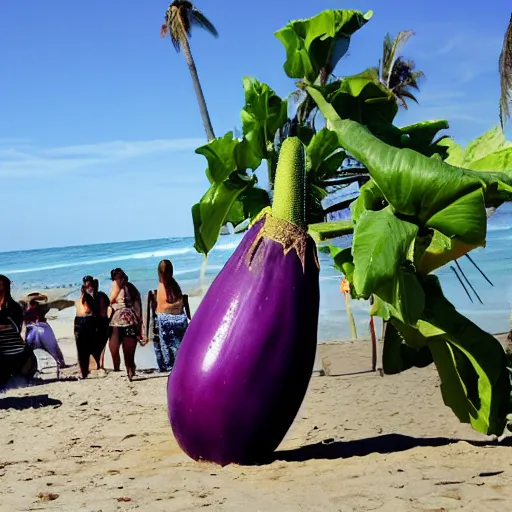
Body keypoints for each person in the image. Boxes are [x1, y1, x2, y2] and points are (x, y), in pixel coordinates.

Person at [153, 259, 191, 372]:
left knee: (171, 344)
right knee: (176, 344)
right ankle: (176, 364)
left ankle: (172, 364)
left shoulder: (168, 286)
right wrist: (178, 304)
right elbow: (168, 305)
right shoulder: (167, 286)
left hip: (172, 319)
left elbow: (165, 306)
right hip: (174, 318)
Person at [0, 275, 37, 388]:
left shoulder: (13, 307)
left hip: (15, 352)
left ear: (5, 287)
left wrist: (4, 317)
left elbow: (17, 328)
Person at [108, 268, 143, 381]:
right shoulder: (115, 289)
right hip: (116, 321)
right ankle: (118, 368)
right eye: (118, 278)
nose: (120, 279)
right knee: (113, 348)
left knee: (128, 349)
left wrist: (139, 321)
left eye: (121, 277)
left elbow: (137, 303)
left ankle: (130, 368)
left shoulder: (130, 288)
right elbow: (111, 302)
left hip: (129, 319)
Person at [23, 294, 66, 371]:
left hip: (36, 330)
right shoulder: (37, 309)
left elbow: (26, 321)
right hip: (39, 329)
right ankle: (60, 362)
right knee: (52, 346)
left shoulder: (33, 309)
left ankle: (59, 362)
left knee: (50, 346)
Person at [80, 276, 110, 371]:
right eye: (87, 285)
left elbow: (88, 310)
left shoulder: (97, 295)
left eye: (89, 285)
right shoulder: (94, 295)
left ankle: (99, 364)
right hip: (95, 321)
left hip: (97, 321)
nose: (88, 287)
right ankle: (99, 364)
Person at [74, 279, 97, 379]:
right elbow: (87, 310)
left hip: (78, 320)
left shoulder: (80, 298)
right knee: (87, 346)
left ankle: (82, 370)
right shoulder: (87, 297)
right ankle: (85, 370)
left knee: (80, 347)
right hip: (86, 320)